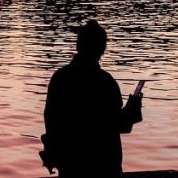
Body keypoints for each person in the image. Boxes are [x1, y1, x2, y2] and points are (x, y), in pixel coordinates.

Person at [41, 20, 142, 177]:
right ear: (102, 49)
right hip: (104, 165)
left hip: (70, 165)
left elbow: (51, 120)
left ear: (78, 46)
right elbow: (120, 126)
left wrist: (52, 152)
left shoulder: (60, 78)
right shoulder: (106, 82)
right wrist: (133, 109)